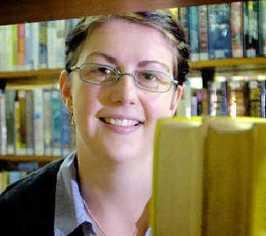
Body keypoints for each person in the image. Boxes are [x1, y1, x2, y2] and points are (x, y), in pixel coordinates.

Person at [0, 10, 190, 236]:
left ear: (175, 100)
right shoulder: (9, 215)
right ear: (67, 89)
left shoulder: (215, 210)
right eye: (102, 70)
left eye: (149, 76)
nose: (125, 94)